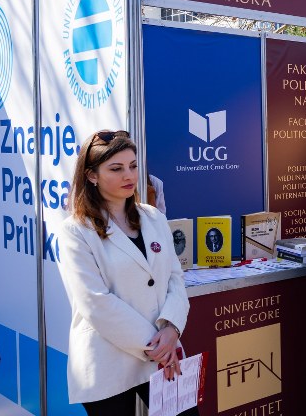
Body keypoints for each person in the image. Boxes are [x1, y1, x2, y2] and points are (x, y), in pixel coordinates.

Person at [56, 130, 191, 415]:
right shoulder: (76, 231)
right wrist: (157, 346)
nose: (129, 175)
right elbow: (95, 301)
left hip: (163, 350)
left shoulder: (153, 217)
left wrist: (172, 327)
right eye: (116, 169)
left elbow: (174, 277)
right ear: (92, 175)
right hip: (109, 362)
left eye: (133, 166)